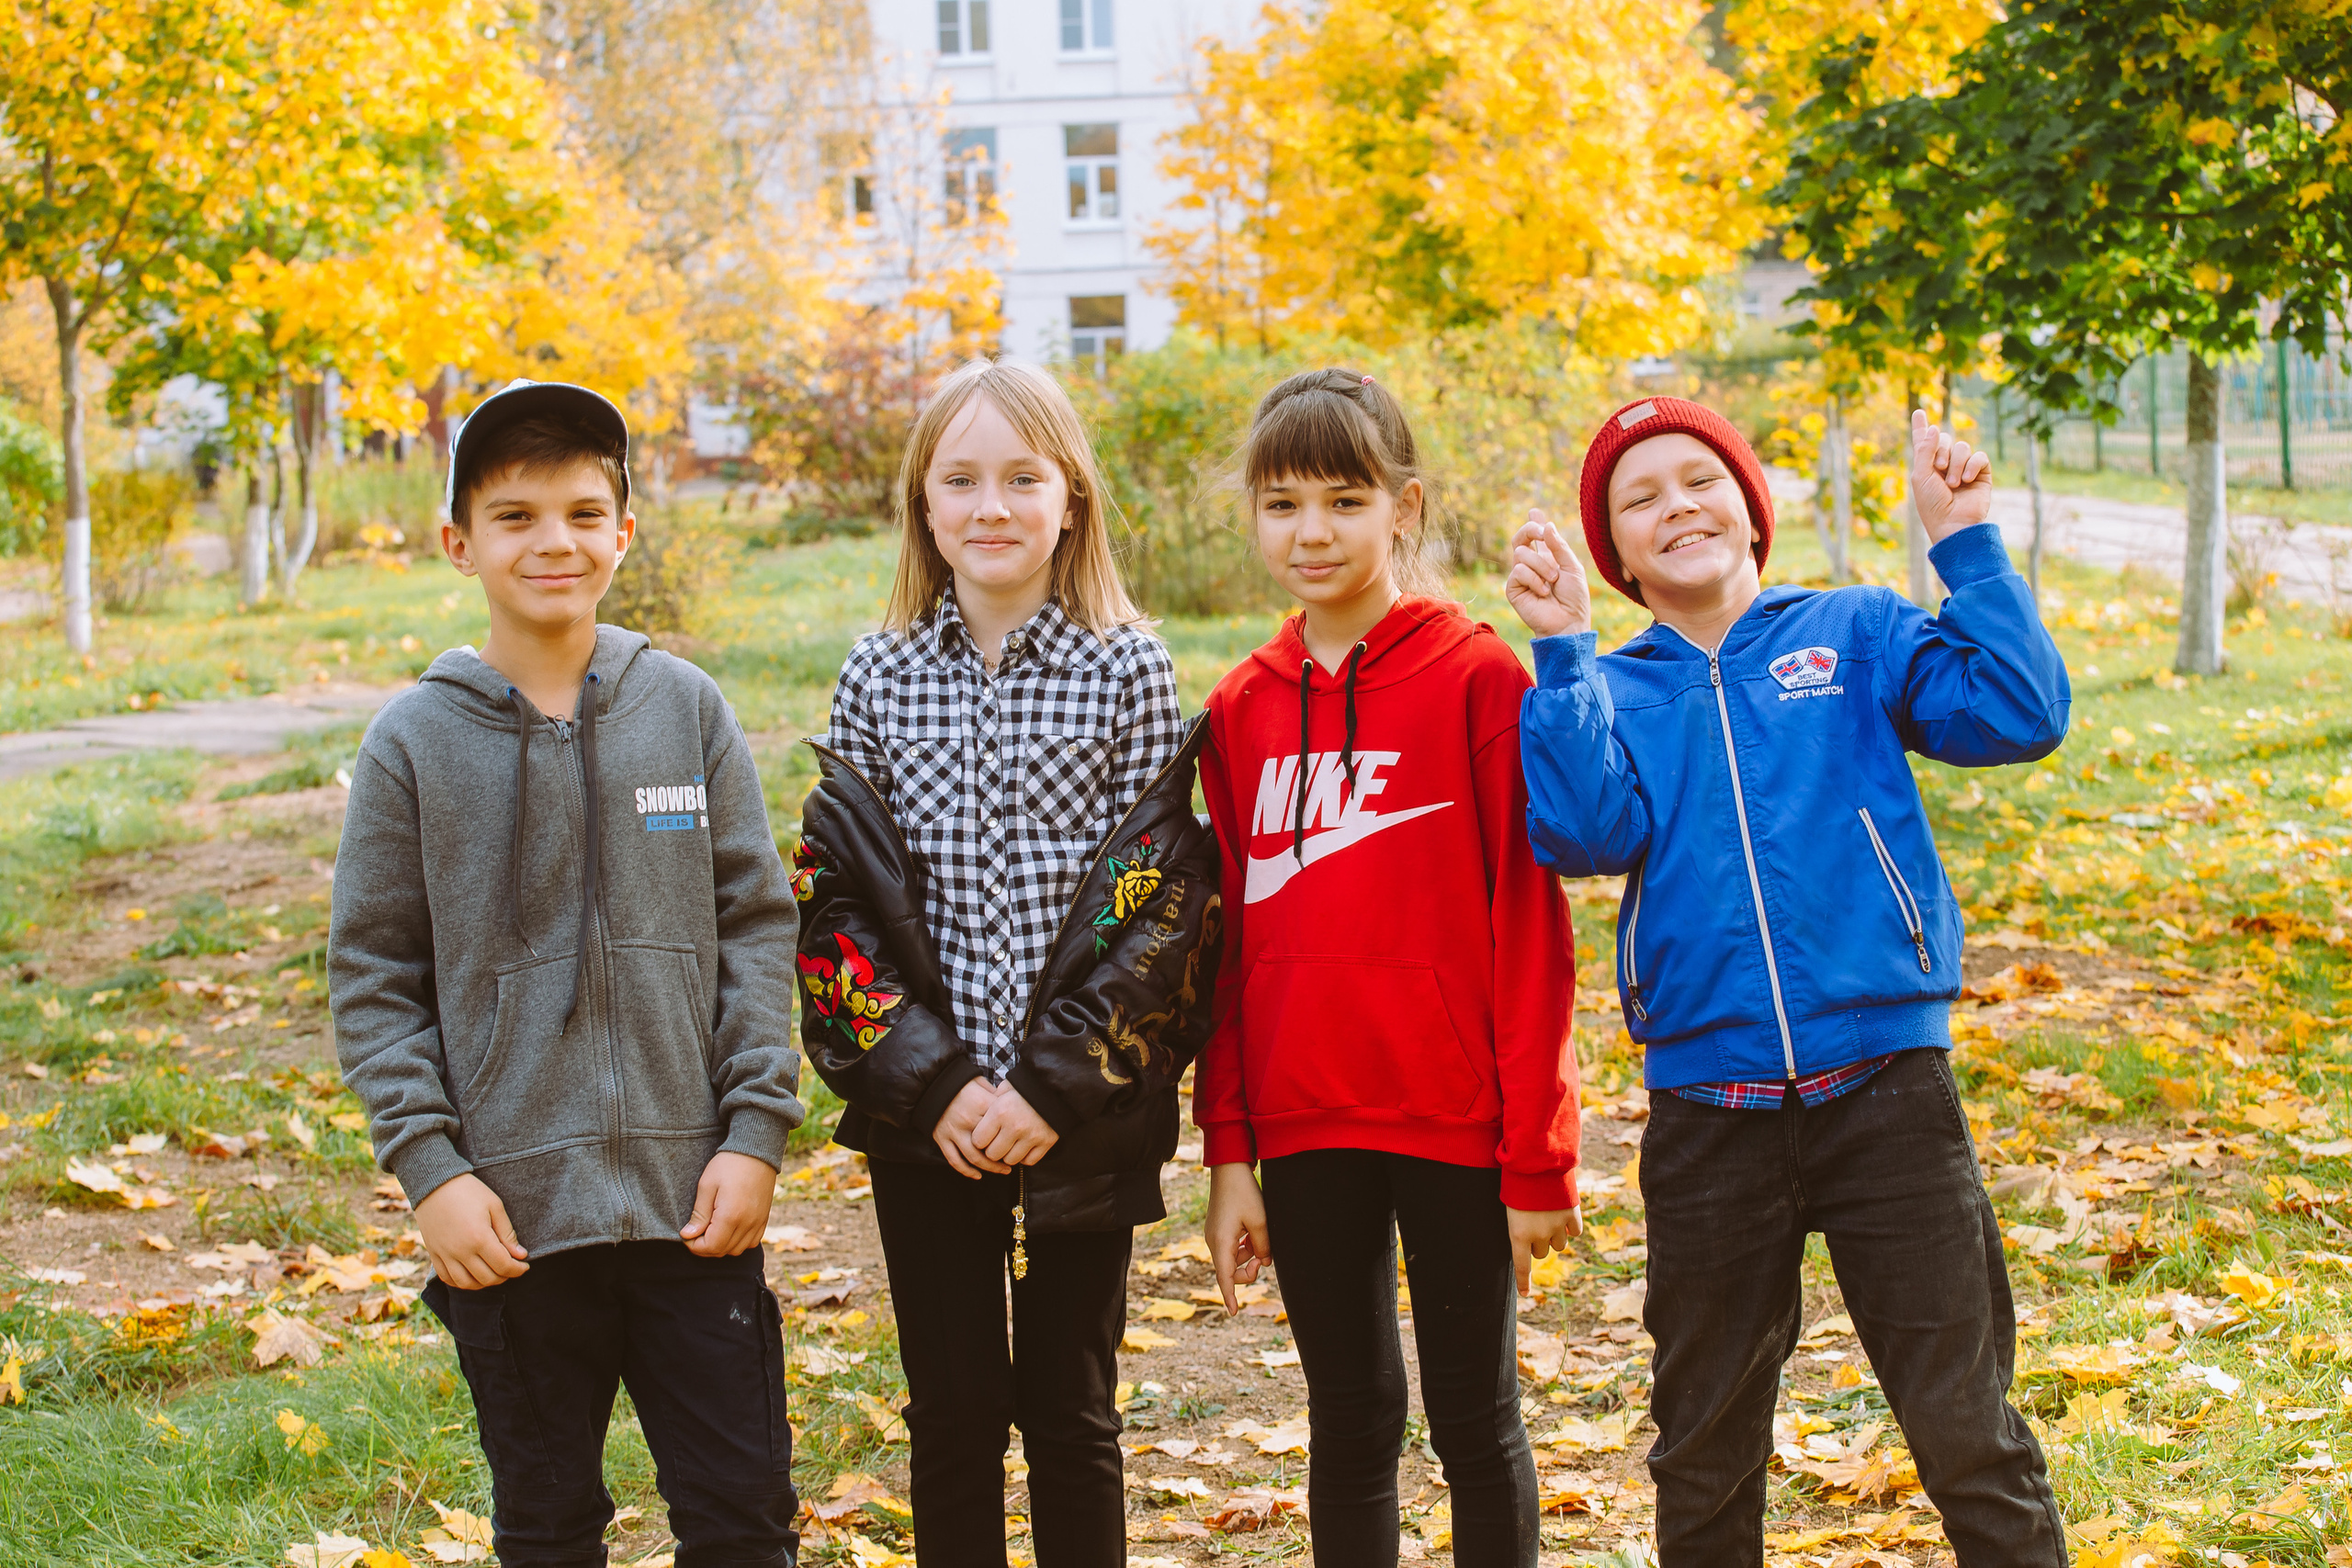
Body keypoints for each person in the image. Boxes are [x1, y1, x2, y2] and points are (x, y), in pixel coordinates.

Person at [1507, 397, 2072, 1567]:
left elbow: (2022, 714)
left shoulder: (1857, 631)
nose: (1676, 507)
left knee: (1965, 1426)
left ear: (1750, 510)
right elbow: (1577, 833)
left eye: (1697, 480)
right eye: (1639, 498)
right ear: (1613, 555)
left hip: (1890, 1100)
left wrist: (1960, 540)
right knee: (1703, 1449)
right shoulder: (1607, 690)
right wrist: (1560, 654)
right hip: (1710, 1121)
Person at [330, 378, 806, 1568]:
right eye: (517, 515)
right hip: (509, 1221)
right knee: (547, 1528)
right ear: (459, 542)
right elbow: (375, 971)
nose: (556, 541)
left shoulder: (685, 710)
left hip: (692, 1206)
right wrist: (431, 1168)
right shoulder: (413, 742)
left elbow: (755, 921)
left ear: (625, 532)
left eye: (585, 512)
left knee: (744, 1519)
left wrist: (752, 1130)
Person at [793, 356, 1221, 1568]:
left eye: (1022, 478)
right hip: (923, 1112)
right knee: (957, 1409)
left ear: (1070, 498)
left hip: (1080, 1104)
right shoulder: (878, 673)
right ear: (923, 507)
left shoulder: (1127, 664)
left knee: (1073, 1412)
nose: (993, 505)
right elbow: (835, 910)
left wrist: (1048, 1087)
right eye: (962, 479)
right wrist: (932, 1085)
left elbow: (1162, 908)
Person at [1195, 369, 1581, 1568]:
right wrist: (1228, 1154)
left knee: (1476, 1420)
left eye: (1344, 499)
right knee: (1350, 1417)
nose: (1311, 531)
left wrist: (1539, 1153)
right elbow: (1221, 950)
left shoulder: (1478, 680)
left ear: (1403, 506)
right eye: (1282, 502)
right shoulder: (1239, 709)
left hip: (1458, 1121)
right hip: (1307, 1125)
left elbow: (1531, 930)